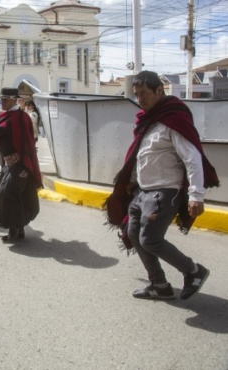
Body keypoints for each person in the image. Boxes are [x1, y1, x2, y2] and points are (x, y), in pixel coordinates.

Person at [105, 70, 219, 301]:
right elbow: (144, 156)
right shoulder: (149, 122)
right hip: (142, 192)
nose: (140, 100)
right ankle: (159, 285)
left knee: (150, 239)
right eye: (137, 95)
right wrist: (133, 181)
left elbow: (192, 157)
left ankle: (193, 271)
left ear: (160, 90)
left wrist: (196, 194)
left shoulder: (173, 119)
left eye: (144, 94)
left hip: (165, 191)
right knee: (134, 234)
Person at [0, 88, 42, 241]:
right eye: (2, 99)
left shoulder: (20, 117)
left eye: (6, 99)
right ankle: (19, 229)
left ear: (14, 100)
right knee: (10, 196)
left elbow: (26, 143)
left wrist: (24, 167)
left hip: (19, 165)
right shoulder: (7, 116)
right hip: (8, 165)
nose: (3, 102)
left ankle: (14, 231)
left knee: (9, 196)